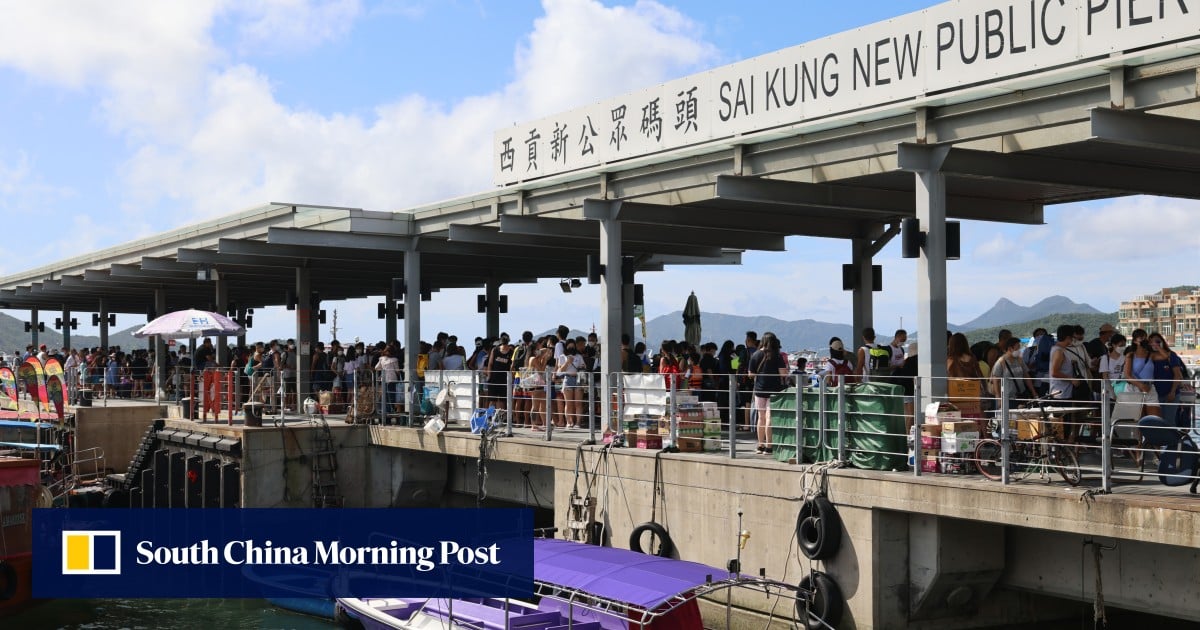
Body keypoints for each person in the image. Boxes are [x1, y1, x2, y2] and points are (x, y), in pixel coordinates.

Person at [748, 332, 788, 454]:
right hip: (774, 390)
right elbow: (783, 374)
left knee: (761, 417)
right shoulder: (777, 355)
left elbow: (750, 374)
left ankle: (760, 445)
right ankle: (769, 447)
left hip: (759, 390)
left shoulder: (755, 355)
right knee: (769, 418)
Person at [1148, 332, 1185, 425]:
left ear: (1162, 342)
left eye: (1157, 341)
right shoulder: (1150, 357)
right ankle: (1159, 439)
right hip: (1155, 394)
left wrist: (1172, 392)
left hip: (1171, 392)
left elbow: (1177, 374)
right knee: (1157, 421)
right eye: (1152, 342)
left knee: (1169, 421)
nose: (1155, 344)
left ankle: (1171, 439)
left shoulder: (1171, 355)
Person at [990, 336, 1037, 405]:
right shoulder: (1001, 362)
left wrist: (1033, 392)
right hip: (1007, 398)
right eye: (1017, 348)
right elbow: (995, 382)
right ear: (1010, 348)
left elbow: (1026, 376)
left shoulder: (1019, 360)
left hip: (1021, 395)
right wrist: (999, 399)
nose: (1019, 350)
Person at [374, 347, 400, 423]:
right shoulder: (394, 360)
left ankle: (385, 416)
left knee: (384, 398)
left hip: (384, 380)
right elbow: (397, 370)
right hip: (392, 380)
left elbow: (376, 368)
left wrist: (383, 369)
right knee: (391, 398)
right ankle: (390, 414)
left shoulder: (382, 359)